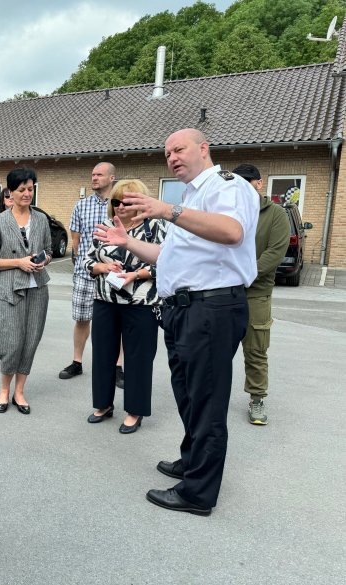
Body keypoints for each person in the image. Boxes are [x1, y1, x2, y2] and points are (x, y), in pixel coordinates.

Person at [95, 128, 258, 516]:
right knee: (188, 394)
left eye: (179, 149)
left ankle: (198, 493)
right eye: (167, 153)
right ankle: (193, 462)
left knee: (206, 400)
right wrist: (127, 242)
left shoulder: (227, 186)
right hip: (184, 310)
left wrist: (166, 210)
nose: (172, 157)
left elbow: (233, 233)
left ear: (204, 149)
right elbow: (168, 256)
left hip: (212, 309)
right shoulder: (192, 197)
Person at [84, 180, 166, 434]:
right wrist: (102, 267)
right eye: (116, 202)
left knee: (138, 358)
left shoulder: (155, 228)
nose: (119, 207)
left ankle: (135, 410)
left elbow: (168, 262)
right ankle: (103, 405)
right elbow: (87, 261)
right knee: (103, 355)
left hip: (141, 303)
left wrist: (137, 274)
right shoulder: (105, 226)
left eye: (126, 202)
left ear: (138, 203)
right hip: (105, 300)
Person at [0, 168, 50, 414]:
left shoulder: (41, 219)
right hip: (10, 290)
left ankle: (20, 392)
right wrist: (19, 262)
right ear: (10, 192)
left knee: (31, 340)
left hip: (37, 288)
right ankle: (4, 390)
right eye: (21, 189)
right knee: (10, 342)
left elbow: (50, 249)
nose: (27, 194)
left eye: (31, 189)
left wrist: (45, 259)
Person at [233, 163, 288, 425]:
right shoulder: (229, 212)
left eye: (248, 181)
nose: (244, 185)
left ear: (259, 183)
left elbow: (274, 254)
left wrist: (243, 276)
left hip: (256, 294)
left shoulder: (275, 214)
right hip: (225, 292)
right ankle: (211, 398)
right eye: (238, 182)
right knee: (217, 349)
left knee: (255, 350)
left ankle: (256, 399)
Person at [59, 162, 116, 380]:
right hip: (86, 273)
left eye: (99, 175)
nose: (94, 178)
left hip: (113, 273)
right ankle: (77, 362)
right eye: (93, 174)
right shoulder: (81, 206)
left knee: (116, 321)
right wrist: (81, 261)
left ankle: (118, 366)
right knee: (82, 318)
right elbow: (76, 238)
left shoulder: (121, 203)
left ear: (111, 178)